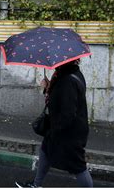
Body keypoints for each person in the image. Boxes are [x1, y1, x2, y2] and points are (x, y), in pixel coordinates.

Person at [15, 59, 93, 188]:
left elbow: (67, 112)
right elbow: (59, 98)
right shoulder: (64, 74)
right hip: (62, 128)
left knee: (78, 166)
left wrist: (55, 130)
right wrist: (48, 88)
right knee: (45, 150)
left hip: (70, 133)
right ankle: (36, 184)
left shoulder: (68, 80)